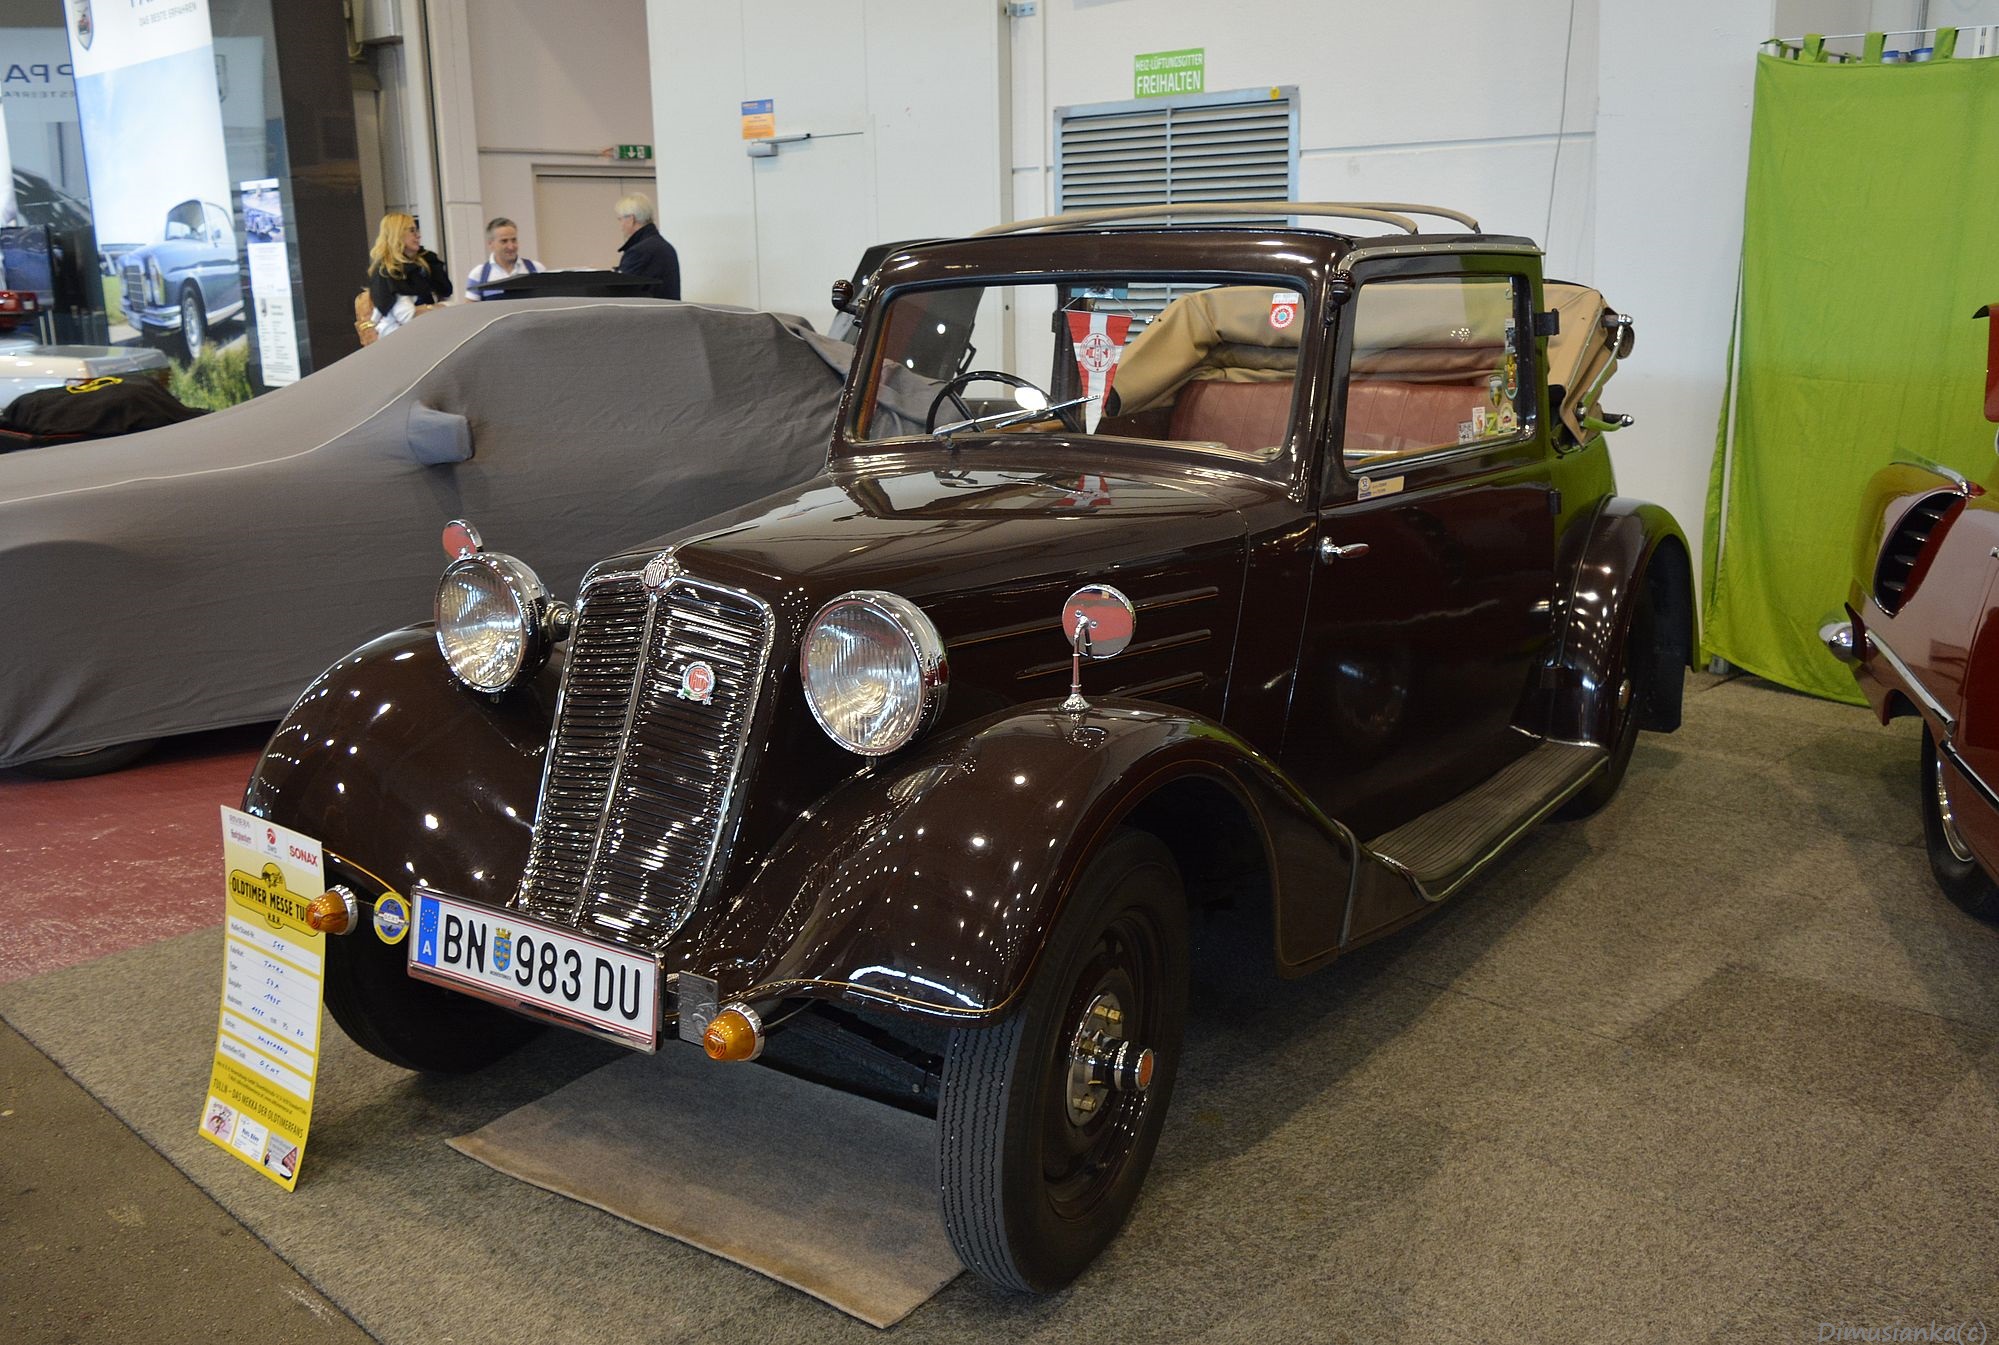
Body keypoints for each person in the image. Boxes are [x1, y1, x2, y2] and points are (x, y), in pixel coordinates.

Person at [366, 212, 452, 338]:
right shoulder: (387, 272)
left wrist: (429, 308)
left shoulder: (426, 262)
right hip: (401, 340)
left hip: (428, 333)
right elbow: (407, 315)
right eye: (412, 230)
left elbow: (446, 296)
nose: (418, 235)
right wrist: (437, 307)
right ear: (398, 234)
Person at [613, 193, 680, 300]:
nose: (621, 226)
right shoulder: (663, 246)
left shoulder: (639, 252)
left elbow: (620, 292)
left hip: (647, 315)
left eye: (620, 219)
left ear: (631, 219)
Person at [463, 217, 541, 300]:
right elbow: (471, 310)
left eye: (514, 240)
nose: (511, 246)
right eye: (504, 241)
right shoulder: (478, 275)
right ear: (490, 244)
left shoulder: (537, 269)